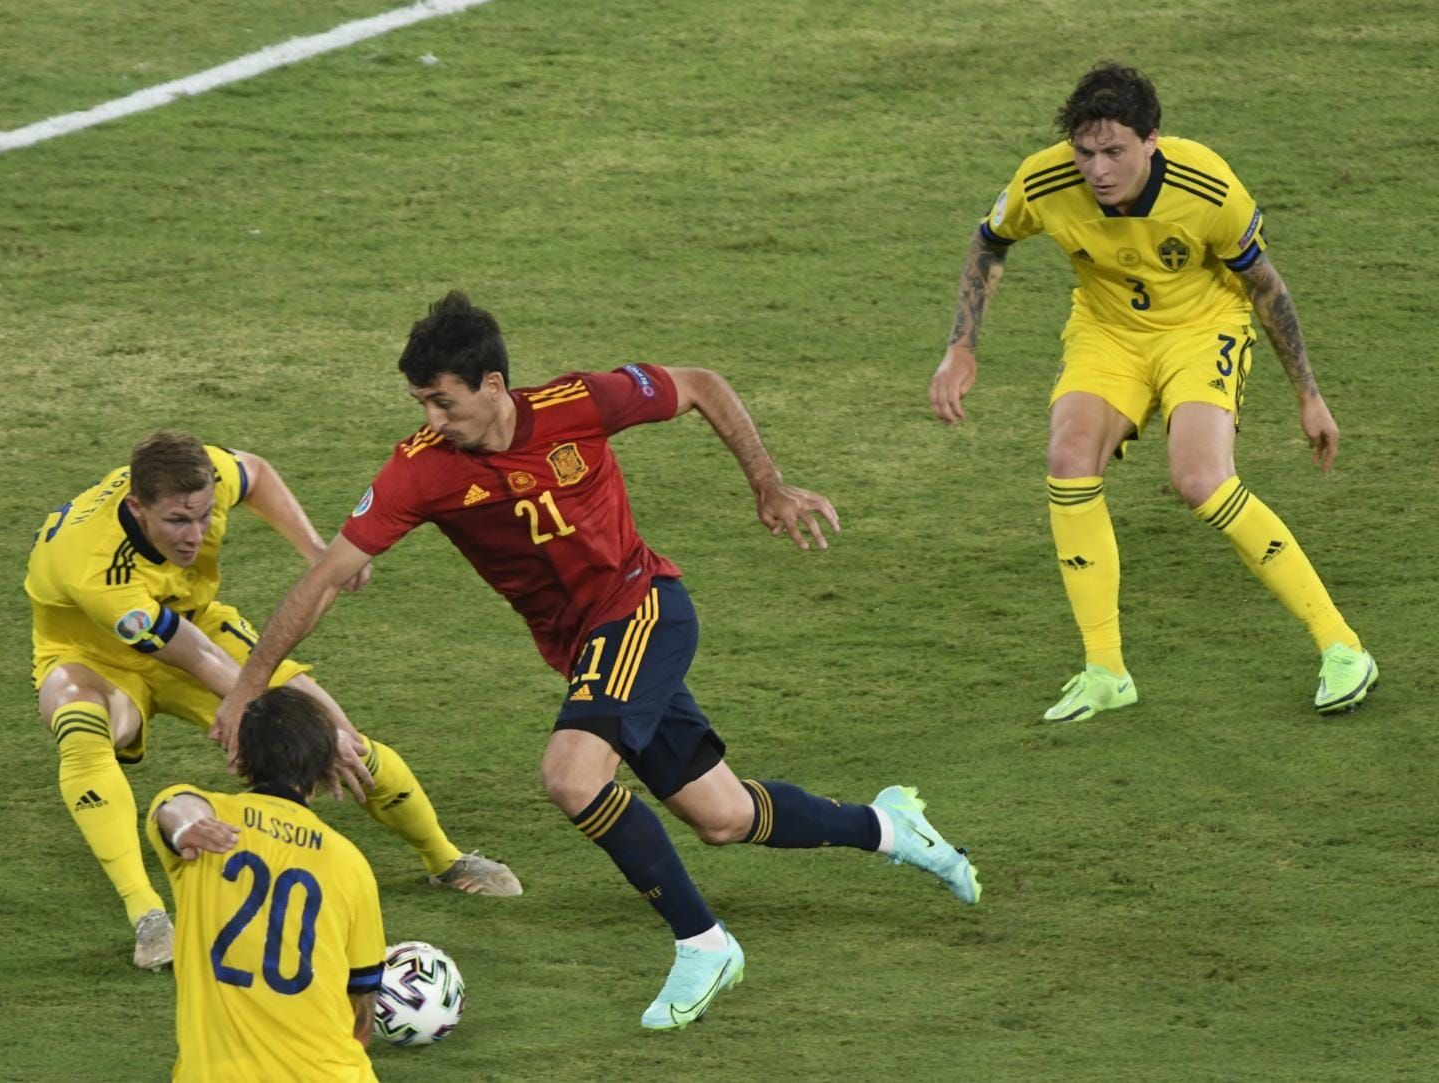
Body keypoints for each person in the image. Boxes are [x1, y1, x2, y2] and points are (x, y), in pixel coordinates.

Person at [214, 291, 981, 1032]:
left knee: (570, 774)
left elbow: (701, 386)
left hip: (645, 607)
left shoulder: (576, 404)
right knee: (722, 815)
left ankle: (703, 944)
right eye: (420, 402)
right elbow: (321, 581)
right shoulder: (421, 469)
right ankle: (891, 825)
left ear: (492, 384)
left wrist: (768, 483)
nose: (430, 420)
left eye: (442, 401)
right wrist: (249, 688)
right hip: (590, 651)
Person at [928, 61, 1378, 722]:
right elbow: (988, 242)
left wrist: (1308, 396)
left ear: (1151, 141)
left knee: (1199, 478)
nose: (1097, 169)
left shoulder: (1207, 185)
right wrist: (961, 345)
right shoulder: (1045, 179)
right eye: (1085, 152)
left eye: (1114, 151)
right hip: (1108, 332)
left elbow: (1265, 288)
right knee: (1068, 459)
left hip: (1201, 328)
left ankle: (1342, 646)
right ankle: (1105, 670)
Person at [25, 432, 519, 971]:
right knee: (80, 726)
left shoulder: (196, 471)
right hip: (92, 657)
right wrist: (259, 709)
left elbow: (256, 472)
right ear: (136, 507)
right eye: (176, 523)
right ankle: (148, 917)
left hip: (197, 623)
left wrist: (318, 553)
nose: (195, 535)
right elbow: (198, 660)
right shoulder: (96, 568)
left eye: (204, 516)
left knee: (339, 737)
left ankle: (446, 859)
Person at [146, 686, 386, 1082]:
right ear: (325, 765)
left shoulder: (211, 827)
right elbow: (362, 1006)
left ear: (240, 757)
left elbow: (174, 809)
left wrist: (189, 825)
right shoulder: (350, 863)